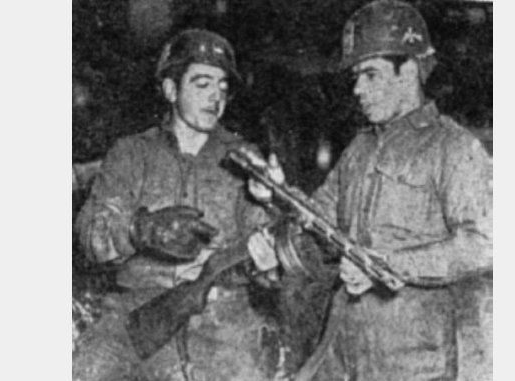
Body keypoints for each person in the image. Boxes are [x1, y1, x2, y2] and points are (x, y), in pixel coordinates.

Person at [247, 1, 493, 380]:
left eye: (371, 75)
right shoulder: (358, 150)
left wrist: (387, 264)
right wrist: (276, 211)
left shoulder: (454, 148)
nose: (358, 89)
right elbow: (319, 223)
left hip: (414, 360)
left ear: (409, 70)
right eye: (356, 77)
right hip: (343, 347)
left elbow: (483, 244)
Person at [74, 29, 285, 381]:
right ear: (171, 90)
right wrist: (139, 230)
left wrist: (271, 245)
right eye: (202, 83)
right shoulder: (131, 153)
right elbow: (90, 237)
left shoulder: (244, 159)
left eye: (222, 87)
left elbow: (268, 247)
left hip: (221, 318)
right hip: (134, 311)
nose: (215, 97)